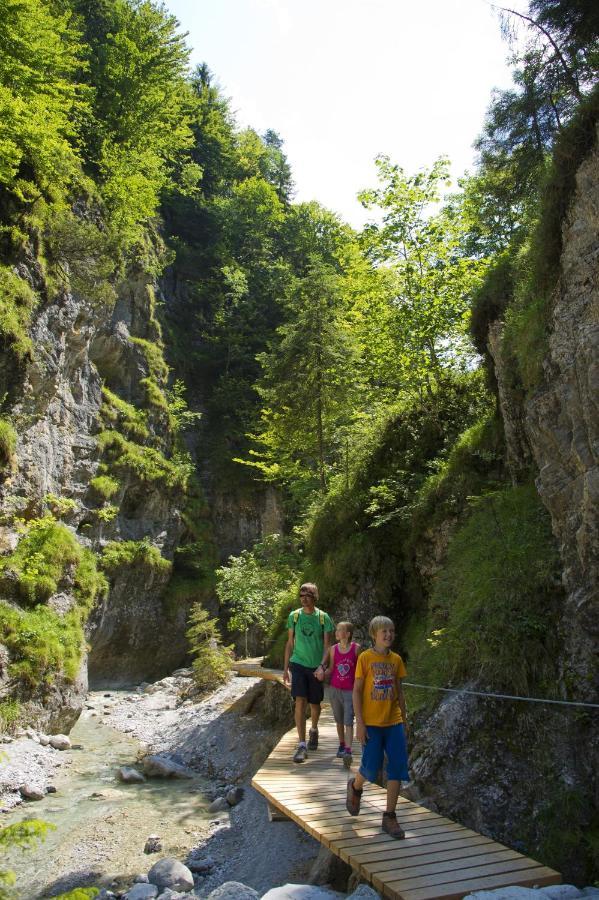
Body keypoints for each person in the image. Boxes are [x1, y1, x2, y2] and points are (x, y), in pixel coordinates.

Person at [345, 615, 409, 839]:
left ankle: (390, 816)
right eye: (384, 631)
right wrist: (359, 723)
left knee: (397, 767)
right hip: (371, 724)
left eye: (391, 631)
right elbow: (356, 691)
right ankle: (355, 786)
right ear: (374, 635)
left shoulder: (397, 660)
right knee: (370, 769)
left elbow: (399, 691)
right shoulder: (365, 658)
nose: (389, 635)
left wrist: (405, 718)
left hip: (394, 723)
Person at [283, 583, 334, 763]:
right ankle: (302, 744)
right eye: (301, 595)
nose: (304, 598)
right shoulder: (294, 616)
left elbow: (328, 646)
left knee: (315, 703)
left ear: (315, 597)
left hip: (315, 667)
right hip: (297, 664)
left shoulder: (323, 618)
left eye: (308, 595)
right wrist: (285, 669)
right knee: (300, 700)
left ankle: (313, 729)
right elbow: (290, 643)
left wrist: (323, 666)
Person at [324, 621, 360, 768]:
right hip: (335, 689)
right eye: (337, 630)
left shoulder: (356, 649)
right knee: (339, 720)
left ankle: (348, 751)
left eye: (340, 630)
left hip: (350, 691)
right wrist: (321, 672)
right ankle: (341, 744)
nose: (336, 632)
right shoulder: (333, 649)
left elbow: (360, 670)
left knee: (348, 720)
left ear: (348, 634)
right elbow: (332, 668)